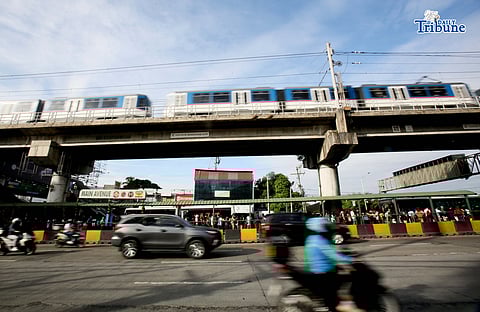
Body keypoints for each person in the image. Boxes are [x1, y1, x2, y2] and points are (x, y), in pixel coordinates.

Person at [303, 217, 355, 311]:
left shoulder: (311, 239)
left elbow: (328, 254)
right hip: (324, 273)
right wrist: (350, 260)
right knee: (346, 279)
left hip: (319, 270)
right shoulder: (320, 240)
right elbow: (332, 255)